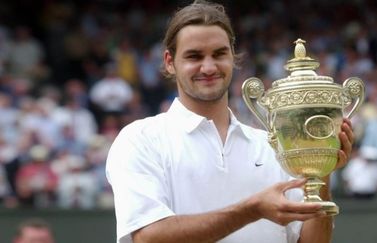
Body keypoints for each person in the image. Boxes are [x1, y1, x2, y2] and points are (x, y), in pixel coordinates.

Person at [106, 1, 354, 243]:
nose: (209, 66)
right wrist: (251, 210)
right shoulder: (140, 139)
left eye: (219, 54)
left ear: (232, 57)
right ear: (170, 62)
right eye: (194, 56)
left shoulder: (274, 145)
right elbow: (148, 237)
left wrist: (321, 175)